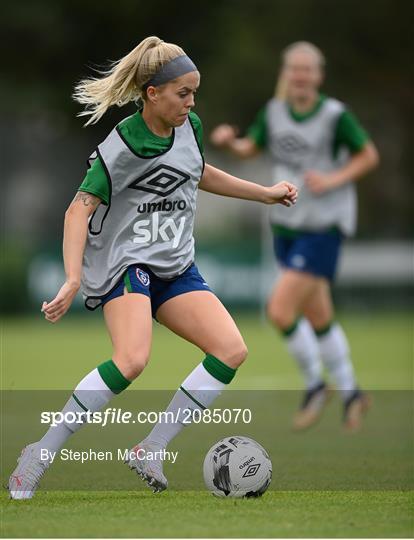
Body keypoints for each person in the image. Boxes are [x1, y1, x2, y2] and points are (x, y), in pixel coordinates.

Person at [8, 36, 297, 499]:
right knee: (132, 360)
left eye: (194, 93)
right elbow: (77, 211)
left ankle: (151, 448)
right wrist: (73, 277)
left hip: (175, 265)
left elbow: (197, 172)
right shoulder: (121, 146)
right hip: (126, 264)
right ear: (152, 94)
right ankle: (38, 455)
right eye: (183, 93)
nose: (191, 102)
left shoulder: (191, 127)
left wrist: (264, 193)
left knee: (230, 350)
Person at [210, 41, 379, 432]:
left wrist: (333, 179)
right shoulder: (274, 112)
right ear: (285, 74)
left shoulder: (336, 116)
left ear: (319, 76)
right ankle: (352, 392)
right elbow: (251, 146)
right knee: (319, 316)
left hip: (323, 227)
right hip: (287, 224)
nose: (300, 76)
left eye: (308, 70)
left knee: (280, 310)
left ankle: (317, 386)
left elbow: (368, 155)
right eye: (294, 69)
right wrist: (228, 144)